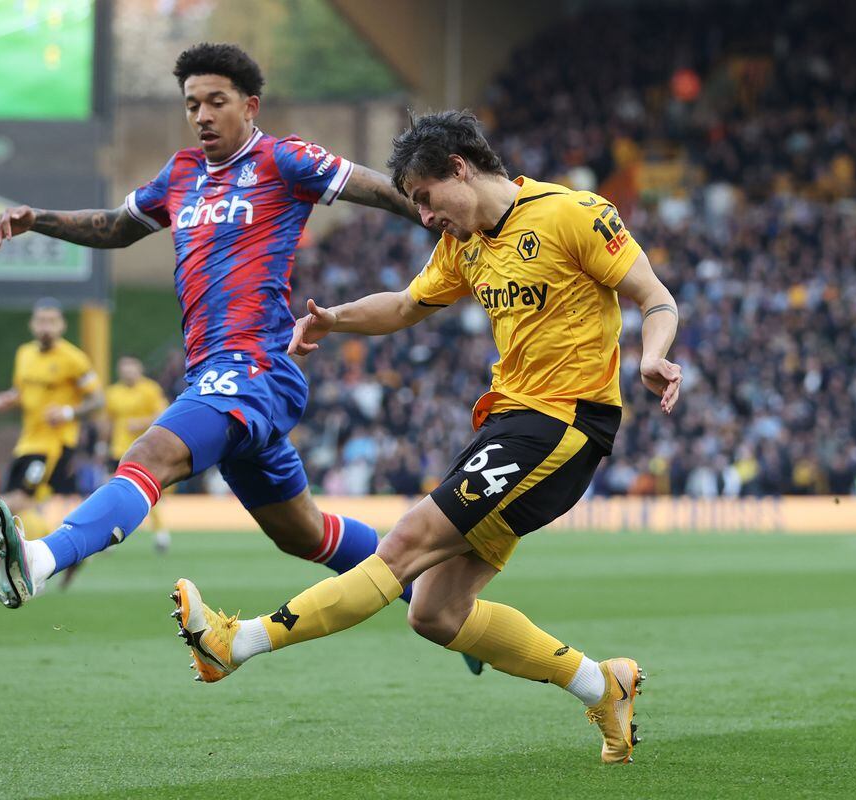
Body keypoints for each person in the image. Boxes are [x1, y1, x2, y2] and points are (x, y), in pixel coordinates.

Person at [169, 111, 683, 765]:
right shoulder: (466, 243)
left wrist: (652, 354)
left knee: (406, 542)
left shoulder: (574, 214)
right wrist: (335, 321)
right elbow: (410, 305)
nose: (425, 215)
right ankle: (600, 684)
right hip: (508, 424)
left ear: (459, 169)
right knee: (436, 612)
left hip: (563, 424)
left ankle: (234, 643)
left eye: (425, 198)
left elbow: (655, 296)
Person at [0, 43, 422, 611]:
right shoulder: (181, 173)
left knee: (150, 453)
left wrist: (461, 221)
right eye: (192, 105)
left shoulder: (284, 160)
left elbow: (384, 190)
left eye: (216, 102)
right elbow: (115, 227)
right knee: (302, 535)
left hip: (257, 367)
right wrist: (37, 220)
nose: (203, 116)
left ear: (250, 105)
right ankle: (426, 589)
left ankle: (39, 560)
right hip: (211, 375)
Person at [0, 298, 104, 540]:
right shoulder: (24, 354)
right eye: (41, 321)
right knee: (21, 509)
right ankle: (70, 549)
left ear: (62, 326)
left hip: (53, 445)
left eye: (52, 322)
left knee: (13, 504)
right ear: (32, 324)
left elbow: (98, 399)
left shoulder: (74, 359)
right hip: (27, 442)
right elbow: (22, 391)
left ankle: (58, 551)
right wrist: (9, 399)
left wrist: (68, 412)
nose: (46, 327)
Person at [102, 356, 172, 554]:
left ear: (139, 368)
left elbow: (163, 414)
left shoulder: (150, 389)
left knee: (147, 490)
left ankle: (160, 532)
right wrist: (101, 445)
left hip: (144, 450)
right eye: (124, 368)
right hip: (118, 450)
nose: (128, 372)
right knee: (113, 493)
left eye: (131, 368)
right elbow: (108, 421)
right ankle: (109, 535)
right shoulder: (113, 393)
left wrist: (140, 423)